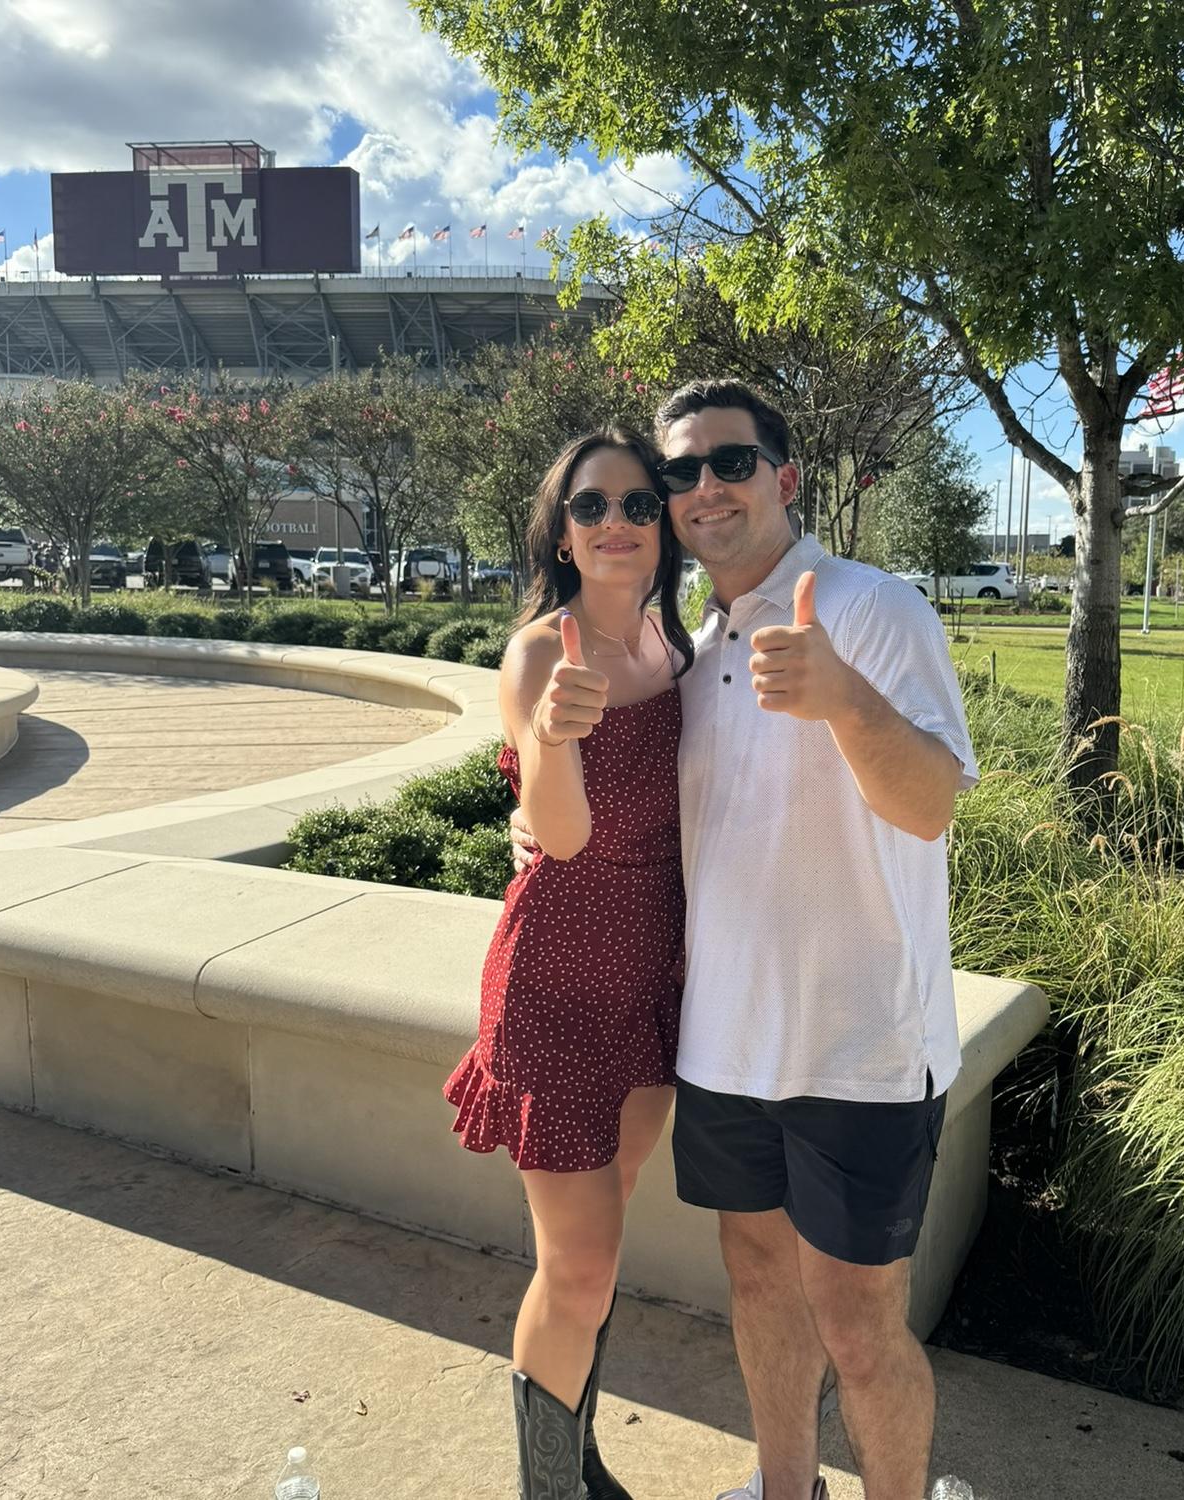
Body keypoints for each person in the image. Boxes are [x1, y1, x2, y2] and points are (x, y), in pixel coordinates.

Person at [517, 380, 978, 1500]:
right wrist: (528, 802)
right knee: (762, 1287)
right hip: (723, 1044)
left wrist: (846, 701)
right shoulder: (692, 645)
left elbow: (931, 806)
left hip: (861, 1050)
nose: (703, 489)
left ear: (786, 477)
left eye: (730, 462)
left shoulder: (871, 609)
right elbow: (633, 807)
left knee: (859, 1326)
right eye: (679, 473)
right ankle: (786, 1491)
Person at [445, 425, 696, 1498]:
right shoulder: (541, 655)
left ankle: (577, 1463)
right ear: (560, 531)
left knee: (606, 1234)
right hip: (558, 979)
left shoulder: (678, 648)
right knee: (580, 1266)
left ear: (664, 526)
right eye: (591, 505)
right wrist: (549, 738)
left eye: (638, 503)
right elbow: (562, 835)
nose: (615, 522)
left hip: (652, 978)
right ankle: (547, 1490)